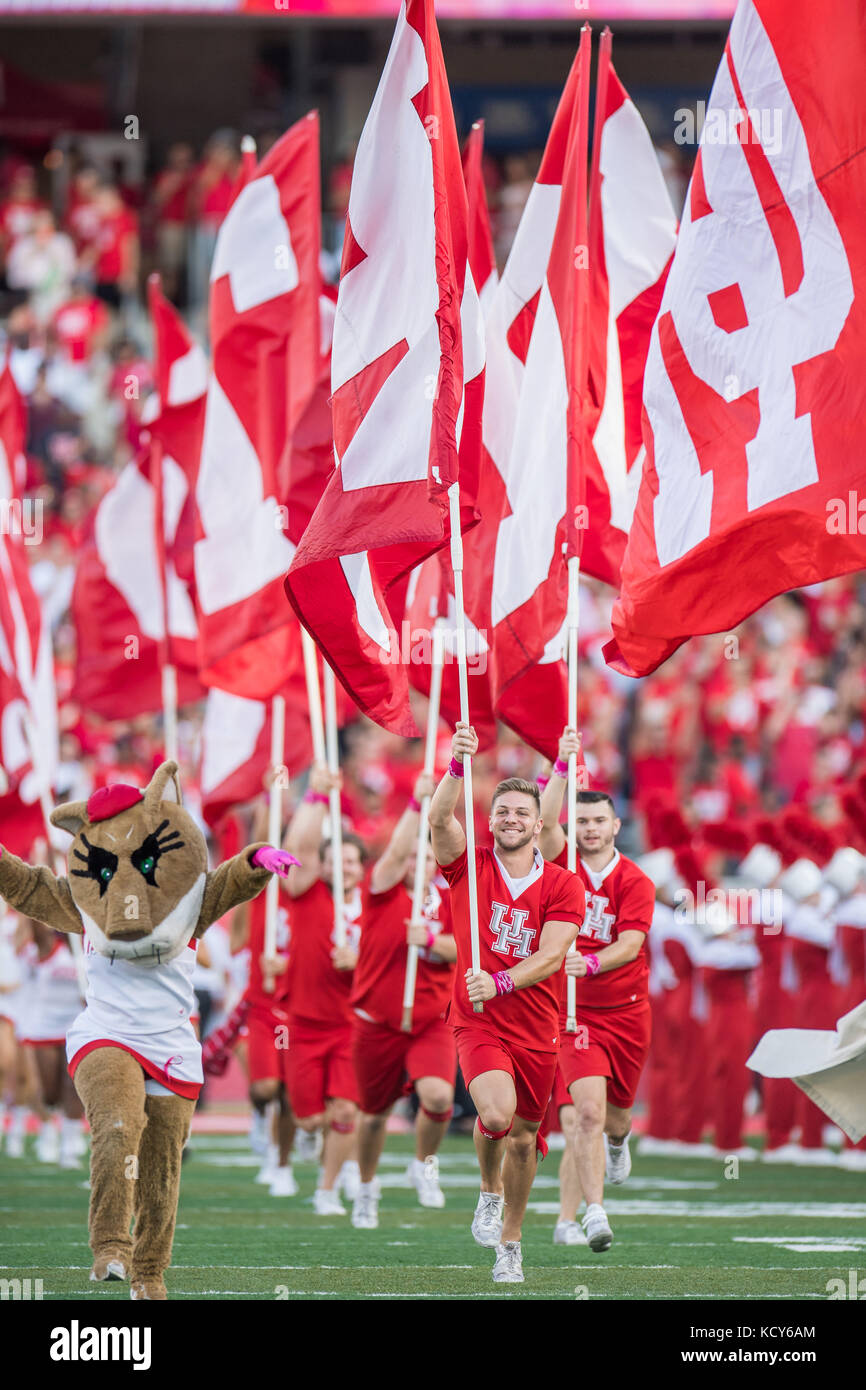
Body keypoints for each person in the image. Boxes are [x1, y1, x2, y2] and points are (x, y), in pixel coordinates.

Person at [428, 722, 585, 1284]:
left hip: (536, 1023)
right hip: (478, 1020)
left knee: (525, 1138)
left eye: (523, 812)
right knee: (494, 1115)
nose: (511, 819)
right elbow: (439, 820)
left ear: (538, 823)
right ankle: (487, 1192)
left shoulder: (565, 885)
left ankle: (512, 1242)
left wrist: (500, 982)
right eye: (503, 812)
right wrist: (455, 764)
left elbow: (550, 955)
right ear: (491, 820)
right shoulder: (469, 868)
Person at [538, 727, 655, 1253]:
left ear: (615, 825)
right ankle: (594, 1214)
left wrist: (585, 963)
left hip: (626, 1010)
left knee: (616, 1115)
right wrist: (562, 768)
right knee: (581, 1112)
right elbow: (542, 824)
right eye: (581, 821)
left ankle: (619, 1140)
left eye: (597, 821)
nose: (588, 829)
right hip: (574, 1015)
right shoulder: (563, 867)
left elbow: (629, 945)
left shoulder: (636, 881)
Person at [350, 772, 457, 1230]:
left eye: (425, 854)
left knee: (438, 1097)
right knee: (373, 1116)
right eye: (412, 855)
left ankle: (424, 1165)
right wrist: (417, 808)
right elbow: (393, 857)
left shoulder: (450, 900)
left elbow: (467, 947)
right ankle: (368, 1187)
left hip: (431, 1017)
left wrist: (431, 937)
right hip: (377, 1019)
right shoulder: (382, 891)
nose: (418, 861)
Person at [283, 766, 365, 1215]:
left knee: (346, 1112)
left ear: (360, 868)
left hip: (351, 1025)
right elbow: (298, 849)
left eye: (352, 862)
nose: (343, 868)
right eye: (336, 860)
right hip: (305, 1022)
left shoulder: (376, 902)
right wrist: (315, 799)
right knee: (309, 1118)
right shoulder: (308, 891)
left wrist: (361, 961)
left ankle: (327, 1189)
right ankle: (318, 1143)